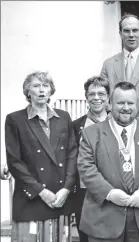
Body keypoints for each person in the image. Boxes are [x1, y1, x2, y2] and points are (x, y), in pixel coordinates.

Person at [77, 82, 139, 242]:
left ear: (137, 104)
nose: (126, 107)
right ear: (110, 104)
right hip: (104, 219)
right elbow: (86, 167)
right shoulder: (91, 133)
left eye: (130, 103)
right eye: (120, 103)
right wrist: (109, 193)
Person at [5, 71, 77, 242]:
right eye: (36, 86)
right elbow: (15, 162)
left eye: (46, 86)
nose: (41, 90)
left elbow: (73, 153)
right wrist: (42, 192)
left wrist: (67, 188)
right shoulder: (15, 119)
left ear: (51, 91)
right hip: (31, 198)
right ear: (27, 92)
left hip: (60, 197)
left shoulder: (63, 117)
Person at [72, 76, 111, 242]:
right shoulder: (76, 126)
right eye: (92, 94)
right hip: (84, 191)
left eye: (101, 93)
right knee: (86, 236)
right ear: (86, 97)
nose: (96, 98)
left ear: (108, 97)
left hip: (112, 189)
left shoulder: (118, 123)